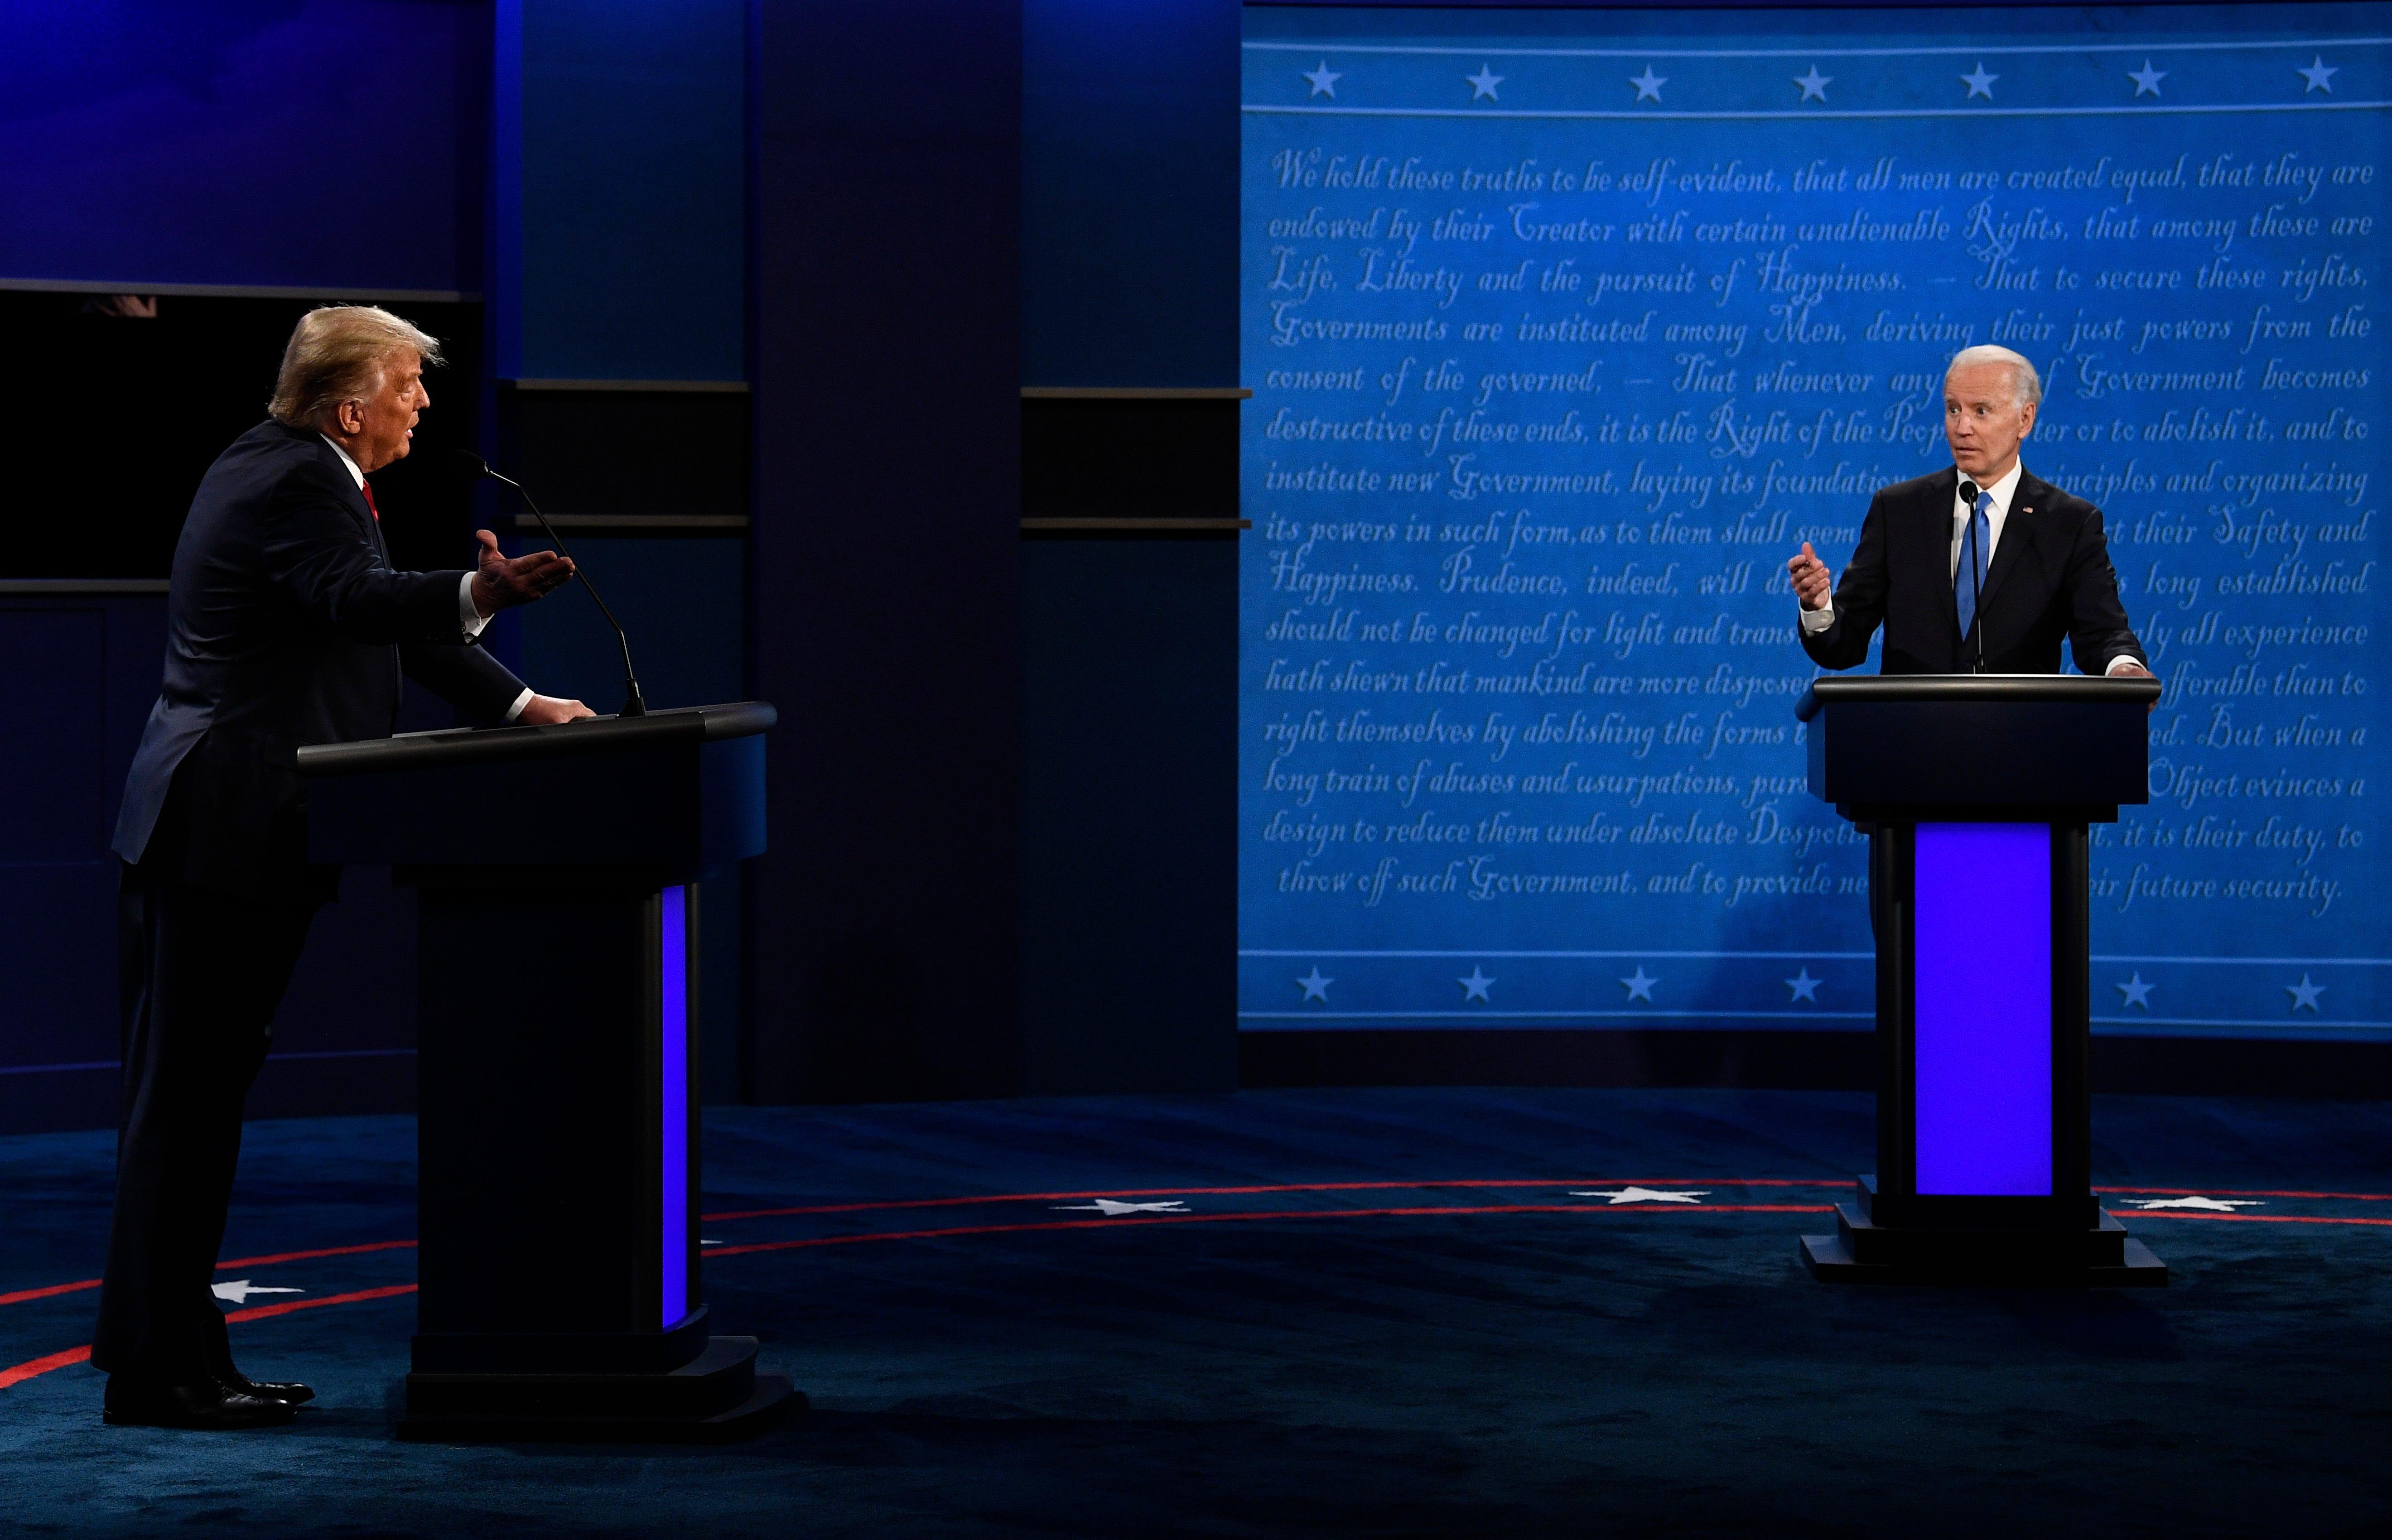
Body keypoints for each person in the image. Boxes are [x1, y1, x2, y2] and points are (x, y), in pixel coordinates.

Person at [94, 306, 594, 1429]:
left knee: (191, 1101)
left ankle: (170, 1356)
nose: (423, 402)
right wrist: (485, 592)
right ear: (347, 404)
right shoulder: (299, 482)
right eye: (408, 383)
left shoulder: (284, 464)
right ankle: (162, 1368)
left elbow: (377, 626)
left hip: (214, 824)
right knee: (188, 1106)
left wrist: (521, 704)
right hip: (224, 825)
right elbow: (355, 602)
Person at [1786, 344, 2156, 683]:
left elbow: (2102, 630)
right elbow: (1843, 645)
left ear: (2025, 420)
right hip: (1910, 738)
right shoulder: (1899, 511)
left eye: (1981, 411)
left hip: (2021, 739)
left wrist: (2125, 666)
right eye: (1953, 409)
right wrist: (1819, 606)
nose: (1962, 428)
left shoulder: (2068, 523)